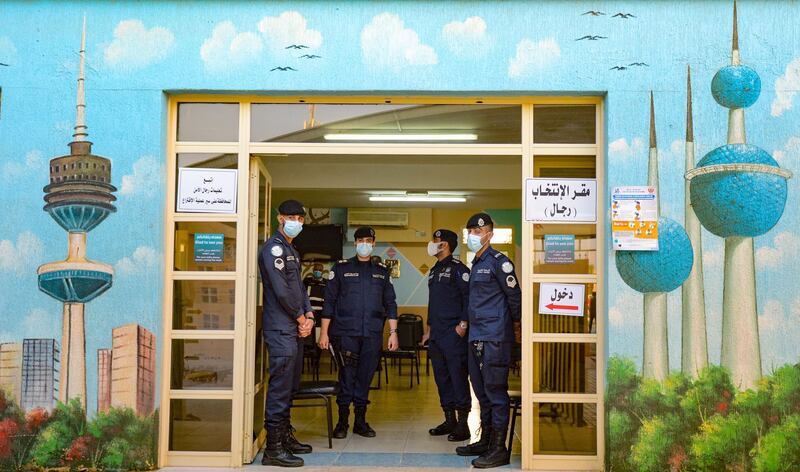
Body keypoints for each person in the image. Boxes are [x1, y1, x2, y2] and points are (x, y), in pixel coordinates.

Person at [318, 226, 399, 438]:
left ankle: (360, 422)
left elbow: (390, 303)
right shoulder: (341, 268)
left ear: (373, 243)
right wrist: (324, 333)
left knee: (365, 377)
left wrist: (393, 332)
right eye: (361, 240)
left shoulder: (382, 271)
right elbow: (329, 302)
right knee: (347, 376)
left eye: (369, 240)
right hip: (345, 333)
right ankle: (342, 422)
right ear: (355, 243)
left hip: (372, 334)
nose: (365, 244)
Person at [455, 213, 521, 469]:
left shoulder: (499, 263)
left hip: (495, 337)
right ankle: (485, 440)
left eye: (478, 231)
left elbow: (514, 298)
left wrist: (515, 330)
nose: (473, 235)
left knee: (495, 392)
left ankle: (498, 449)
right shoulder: (476, 263)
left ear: (489, 235)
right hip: (476, 336)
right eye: (470, 230)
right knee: (481, 393)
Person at [258, 199, 316, 467]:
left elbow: (300, 290)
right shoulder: (273, 250)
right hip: (281, 327)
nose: (296, 221)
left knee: (290, 385)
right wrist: (300, 316)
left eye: (300, 218)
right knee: (280, 387)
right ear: (280, 218)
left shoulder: (291, 250)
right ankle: (273, 448)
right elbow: (281, 291)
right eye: (291, 217)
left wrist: (310, 315)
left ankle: (285, 437)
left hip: (295, 327)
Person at [422, 229, 472, 442]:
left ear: (445, 245)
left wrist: (462, 326)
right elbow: (434, 304)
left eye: (436, 241)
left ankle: (463, 425)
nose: (432, 243)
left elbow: (469, 298)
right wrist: (428, 331)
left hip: (453, 335)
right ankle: (449, 419)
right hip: (436, 336)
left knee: (457, 378)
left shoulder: (459, 269)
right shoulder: (434, 270)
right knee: (442, 379)